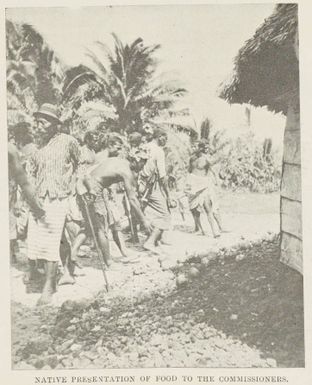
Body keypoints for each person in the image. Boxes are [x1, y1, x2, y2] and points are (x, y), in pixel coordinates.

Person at [26, 103, 81, 305]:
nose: (39, 125)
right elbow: (31, 174)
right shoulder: (36, 147)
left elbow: (81, 163)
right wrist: (31, 199)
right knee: (43, 241)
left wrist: (77, 186)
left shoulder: (68, 142)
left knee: (50, 242)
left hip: (60, 198)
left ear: (56, 124)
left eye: (44, 122)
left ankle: (49, 286)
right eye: (37, 121)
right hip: (40, 200)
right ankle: (63, 273)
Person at [77, 148, 152, 267]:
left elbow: (95, 170)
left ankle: (72, 254)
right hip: (93, 188)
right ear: (136, 160)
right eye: (143, 162)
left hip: (89, 185)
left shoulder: (119, 160)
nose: (144, 165)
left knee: (92, 227)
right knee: (101, 229)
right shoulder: (126, 171)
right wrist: (144, 221)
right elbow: (132, 199)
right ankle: (109, 262)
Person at [8, 143, 44, 263]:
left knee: (15, 225)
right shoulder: (14, 152)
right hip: (20, 195)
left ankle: (12, 254)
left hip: (22, 195)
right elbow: (23, 182)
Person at [138, 127, 172, 252]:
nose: (166, 141)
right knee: (165, 215)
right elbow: (163, 177)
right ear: (160, 137)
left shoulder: (144, 147)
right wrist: (168, 195)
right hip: (151, 186)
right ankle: (150, 242)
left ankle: (155, 241)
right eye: (165, 138)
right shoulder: (158, 151)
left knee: (149, 212)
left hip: (140, 185)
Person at [186, 139, 223, 238]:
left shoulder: (206, 158)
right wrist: (188, 183)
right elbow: (189, 171)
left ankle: (215, 230)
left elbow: (215, 161)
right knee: (193, 208)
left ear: (201, 148)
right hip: (193, 183)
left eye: (196, 147)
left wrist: (217, 152)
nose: (194, 148)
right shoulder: (192, 159)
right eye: (193, 146)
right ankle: (199, 229)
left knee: (207, 207)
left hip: (203, 184)